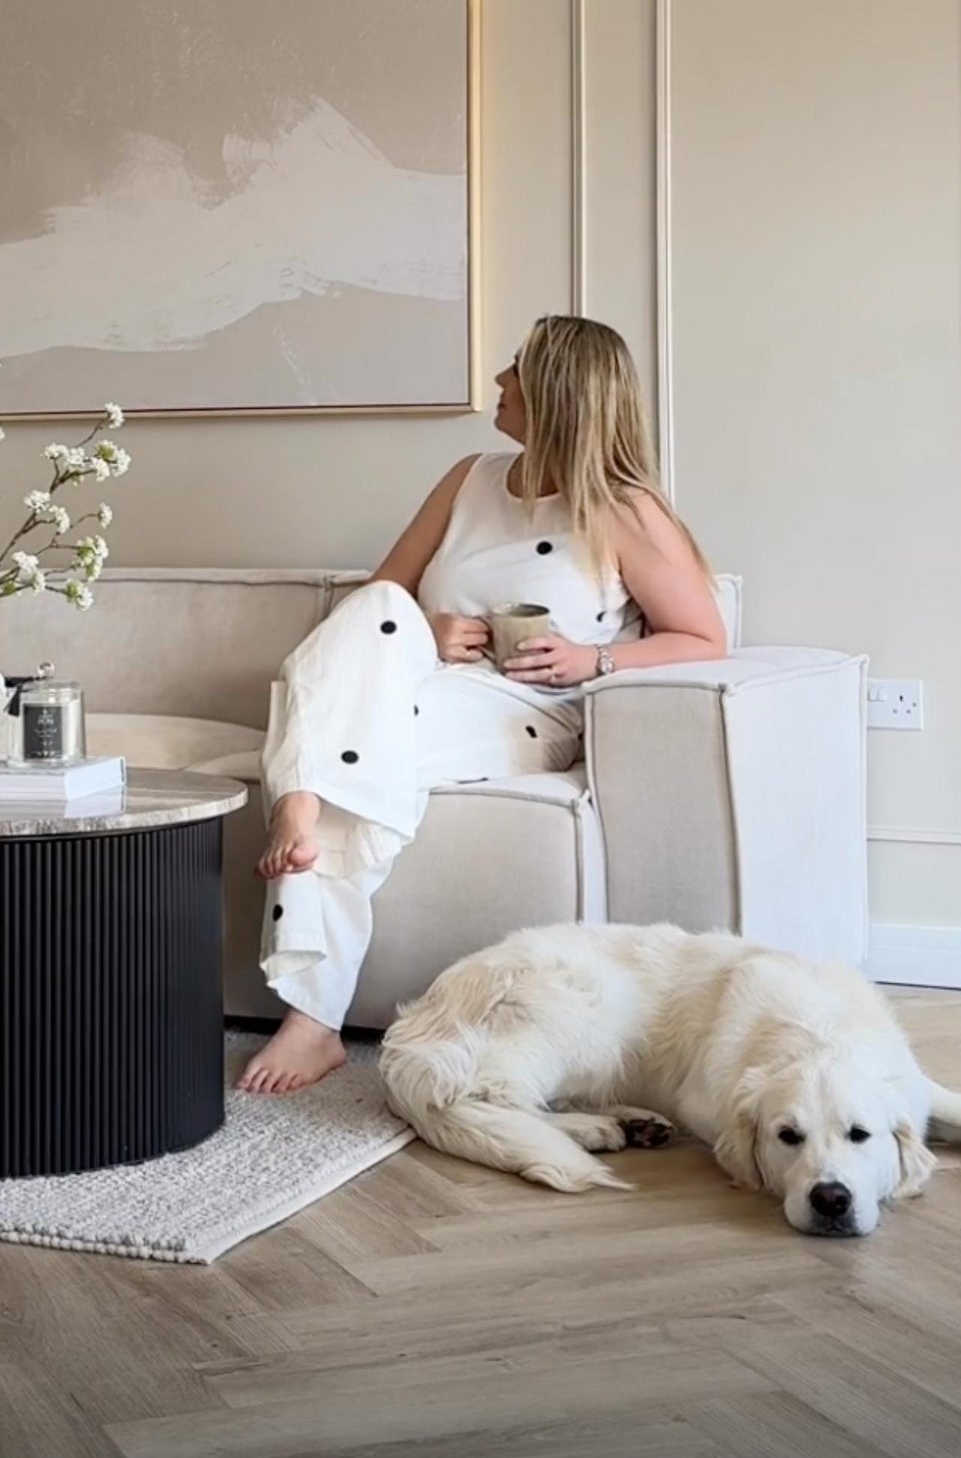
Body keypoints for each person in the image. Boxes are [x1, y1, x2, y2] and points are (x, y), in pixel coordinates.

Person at [238, 315, 728, 1094]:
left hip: (524, 710)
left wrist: (590, 656)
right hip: (420, 682)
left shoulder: (625, 508)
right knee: (366, 627)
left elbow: (704, 637)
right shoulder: (468, 476)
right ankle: (304, 837)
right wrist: (428, 628)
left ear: (556, 395)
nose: (499, 381)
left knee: (356, 753)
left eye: (516, 370)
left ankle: (310, 997)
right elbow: (377, 601)